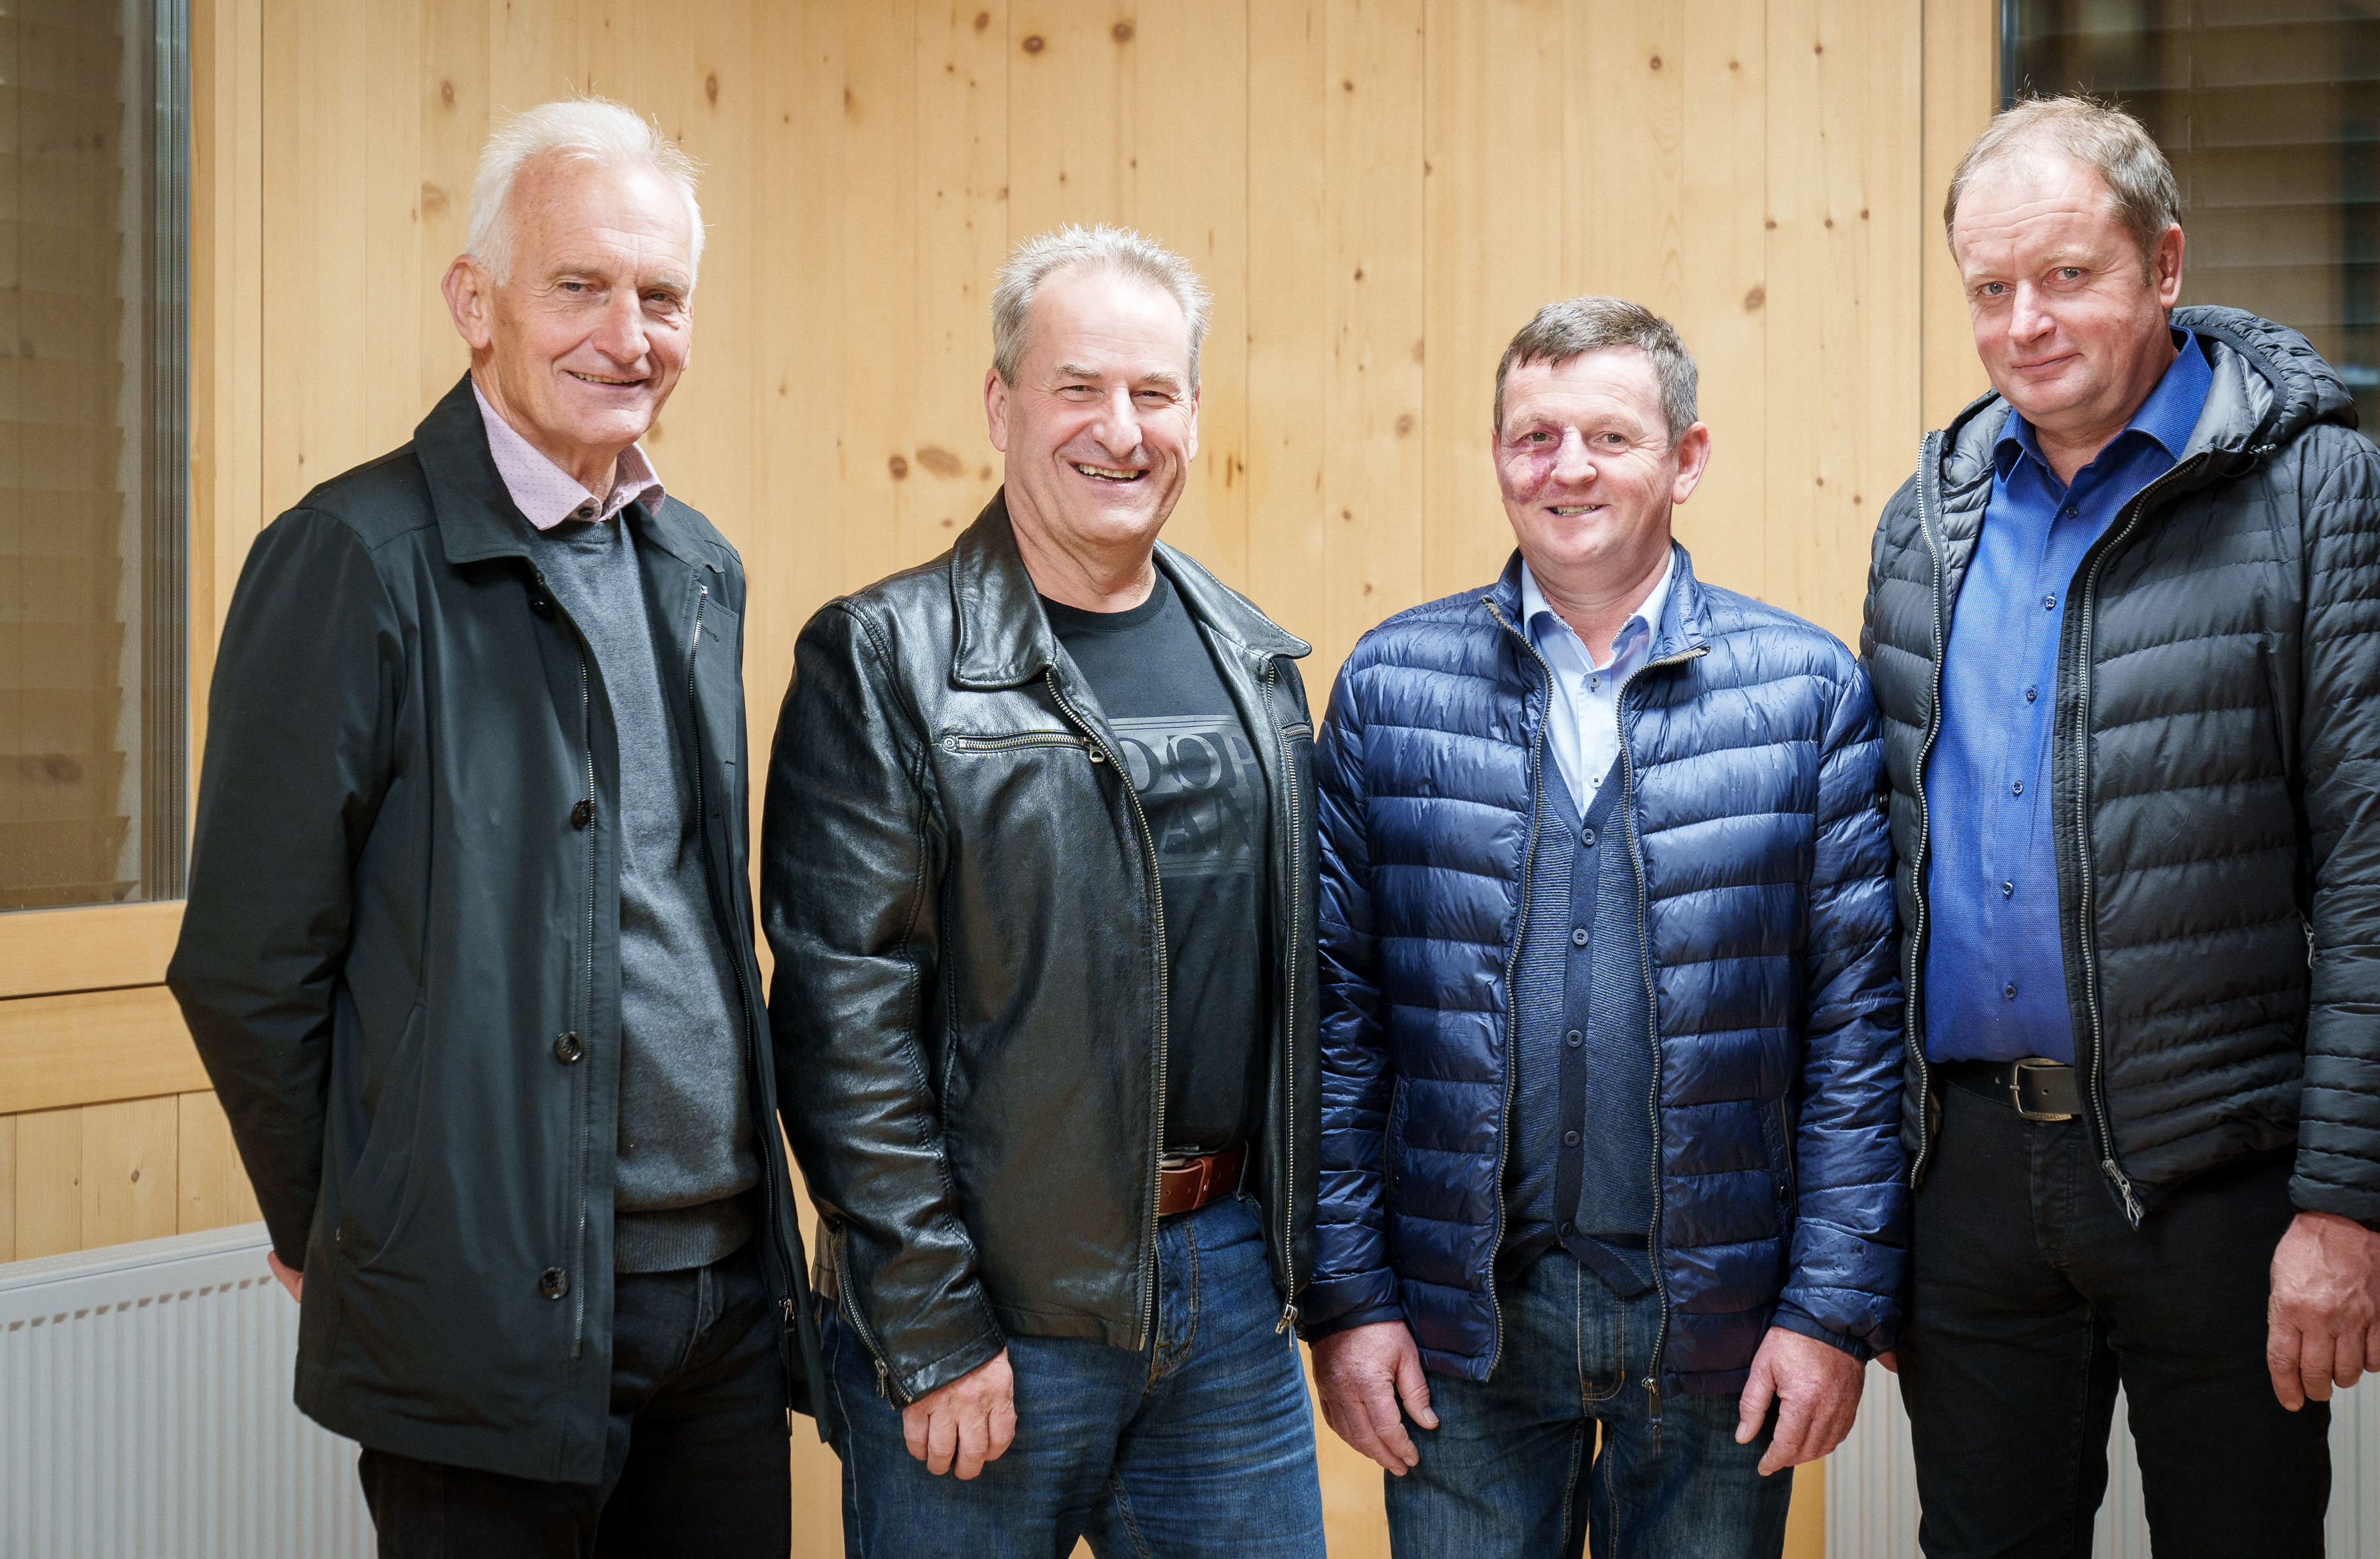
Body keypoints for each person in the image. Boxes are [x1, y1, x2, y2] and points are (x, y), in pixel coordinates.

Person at [168, 98, 825, 1557]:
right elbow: (247, 962)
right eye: (578, 285)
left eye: (662, 296)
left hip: (722, 1302)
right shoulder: (353, 557)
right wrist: (350, 1229)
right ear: (476, 303)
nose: (627, 335)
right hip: (485, 1309)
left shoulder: (696, 564)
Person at [1861, 94, 2380, 1556]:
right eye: (1990, 288)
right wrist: (1862, 1208)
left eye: (2067, 274)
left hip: (2218, 1179)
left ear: (2164, 264)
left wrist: (2350, 1202)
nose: (2024, 322)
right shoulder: (1928, 516)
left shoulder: (2316, 492)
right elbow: (1877, 875)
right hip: (1965, 1181)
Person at [1305, 296, 1905, 1558]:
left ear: (1686, 459)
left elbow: (1857, 1036)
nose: (1566, 468)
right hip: (1458, 1330)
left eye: (1609, 437)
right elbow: (1337, 1026)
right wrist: (1347, 1300)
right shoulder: (1388, 687)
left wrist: (1830, 1312)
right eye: (1535, 437)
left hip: (1721, 1324)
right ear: (1499, 456)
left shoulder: (1807, 694)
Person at [762, 224, 1326, 1558]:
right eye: (1078, 388)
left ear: (1194, 412)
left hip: (1227, 1291)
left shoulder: (1255, 662)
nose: (1119, 430)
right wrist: (931, 1323)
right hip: (989, 1309)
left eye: (1153, 392)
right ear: (1000, 403)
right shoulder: (882, 657)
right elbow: (842, 1025)